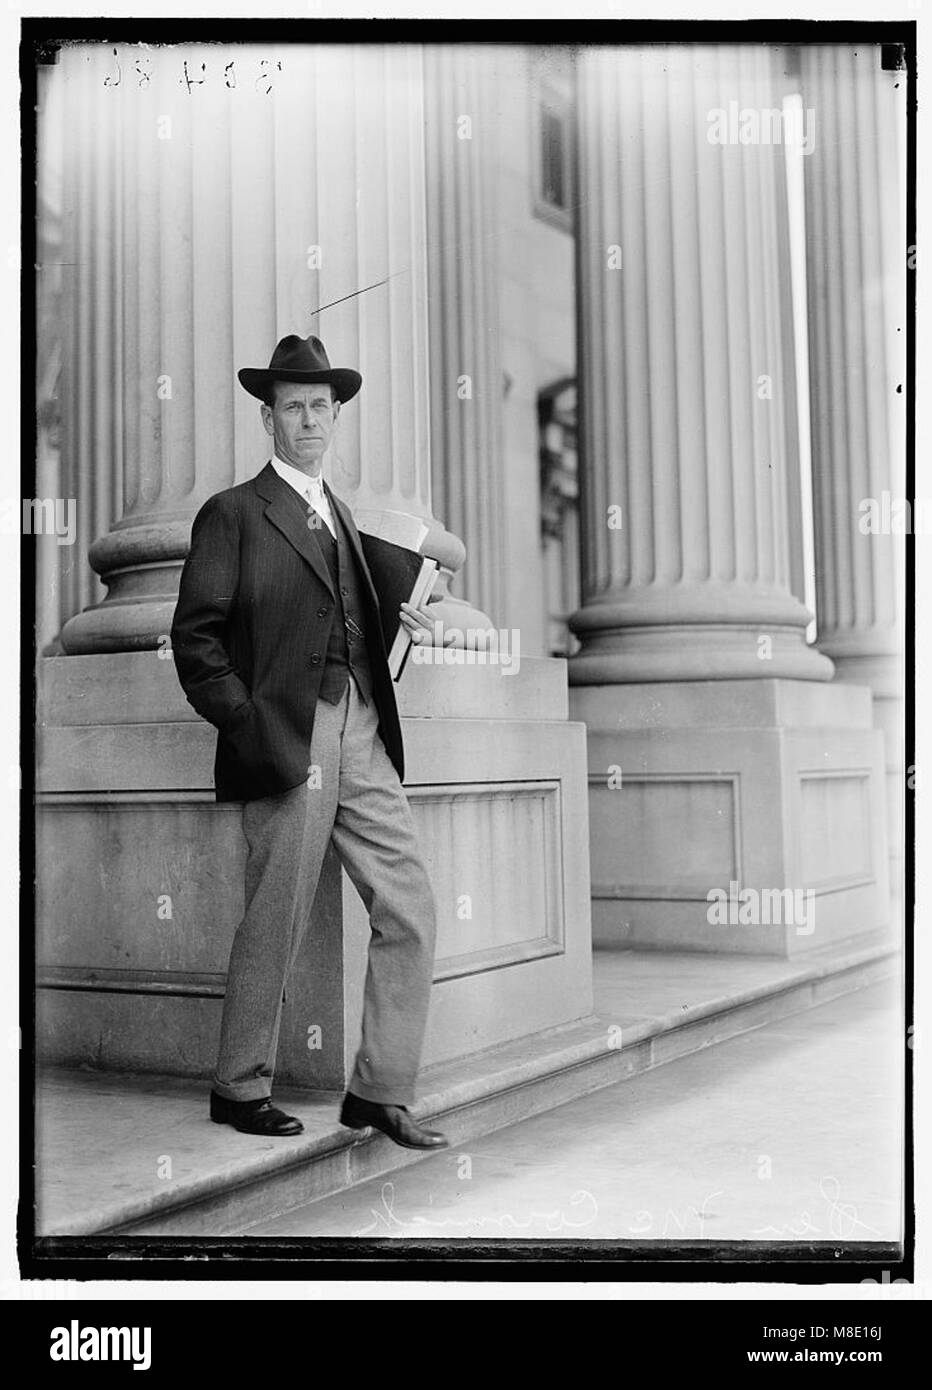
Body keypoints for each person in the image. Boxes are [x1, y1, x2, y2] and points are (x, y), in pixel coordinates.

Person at [170, 333, 448, 1151]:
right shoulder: (232, 512)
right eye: (293, 406)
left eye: (321, 406)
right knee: (276, 914)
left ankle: (379, 1092)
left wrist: (405, 624)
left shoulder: (346, 515)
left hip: (361, 723)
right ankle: (238, 1086)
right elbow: (197, 642)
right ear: (268, 417)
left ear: (335, 415)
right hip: (288, 735)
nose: (309, 419)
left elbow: (349, 614)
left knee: (411, 905)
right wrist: (251, 724)